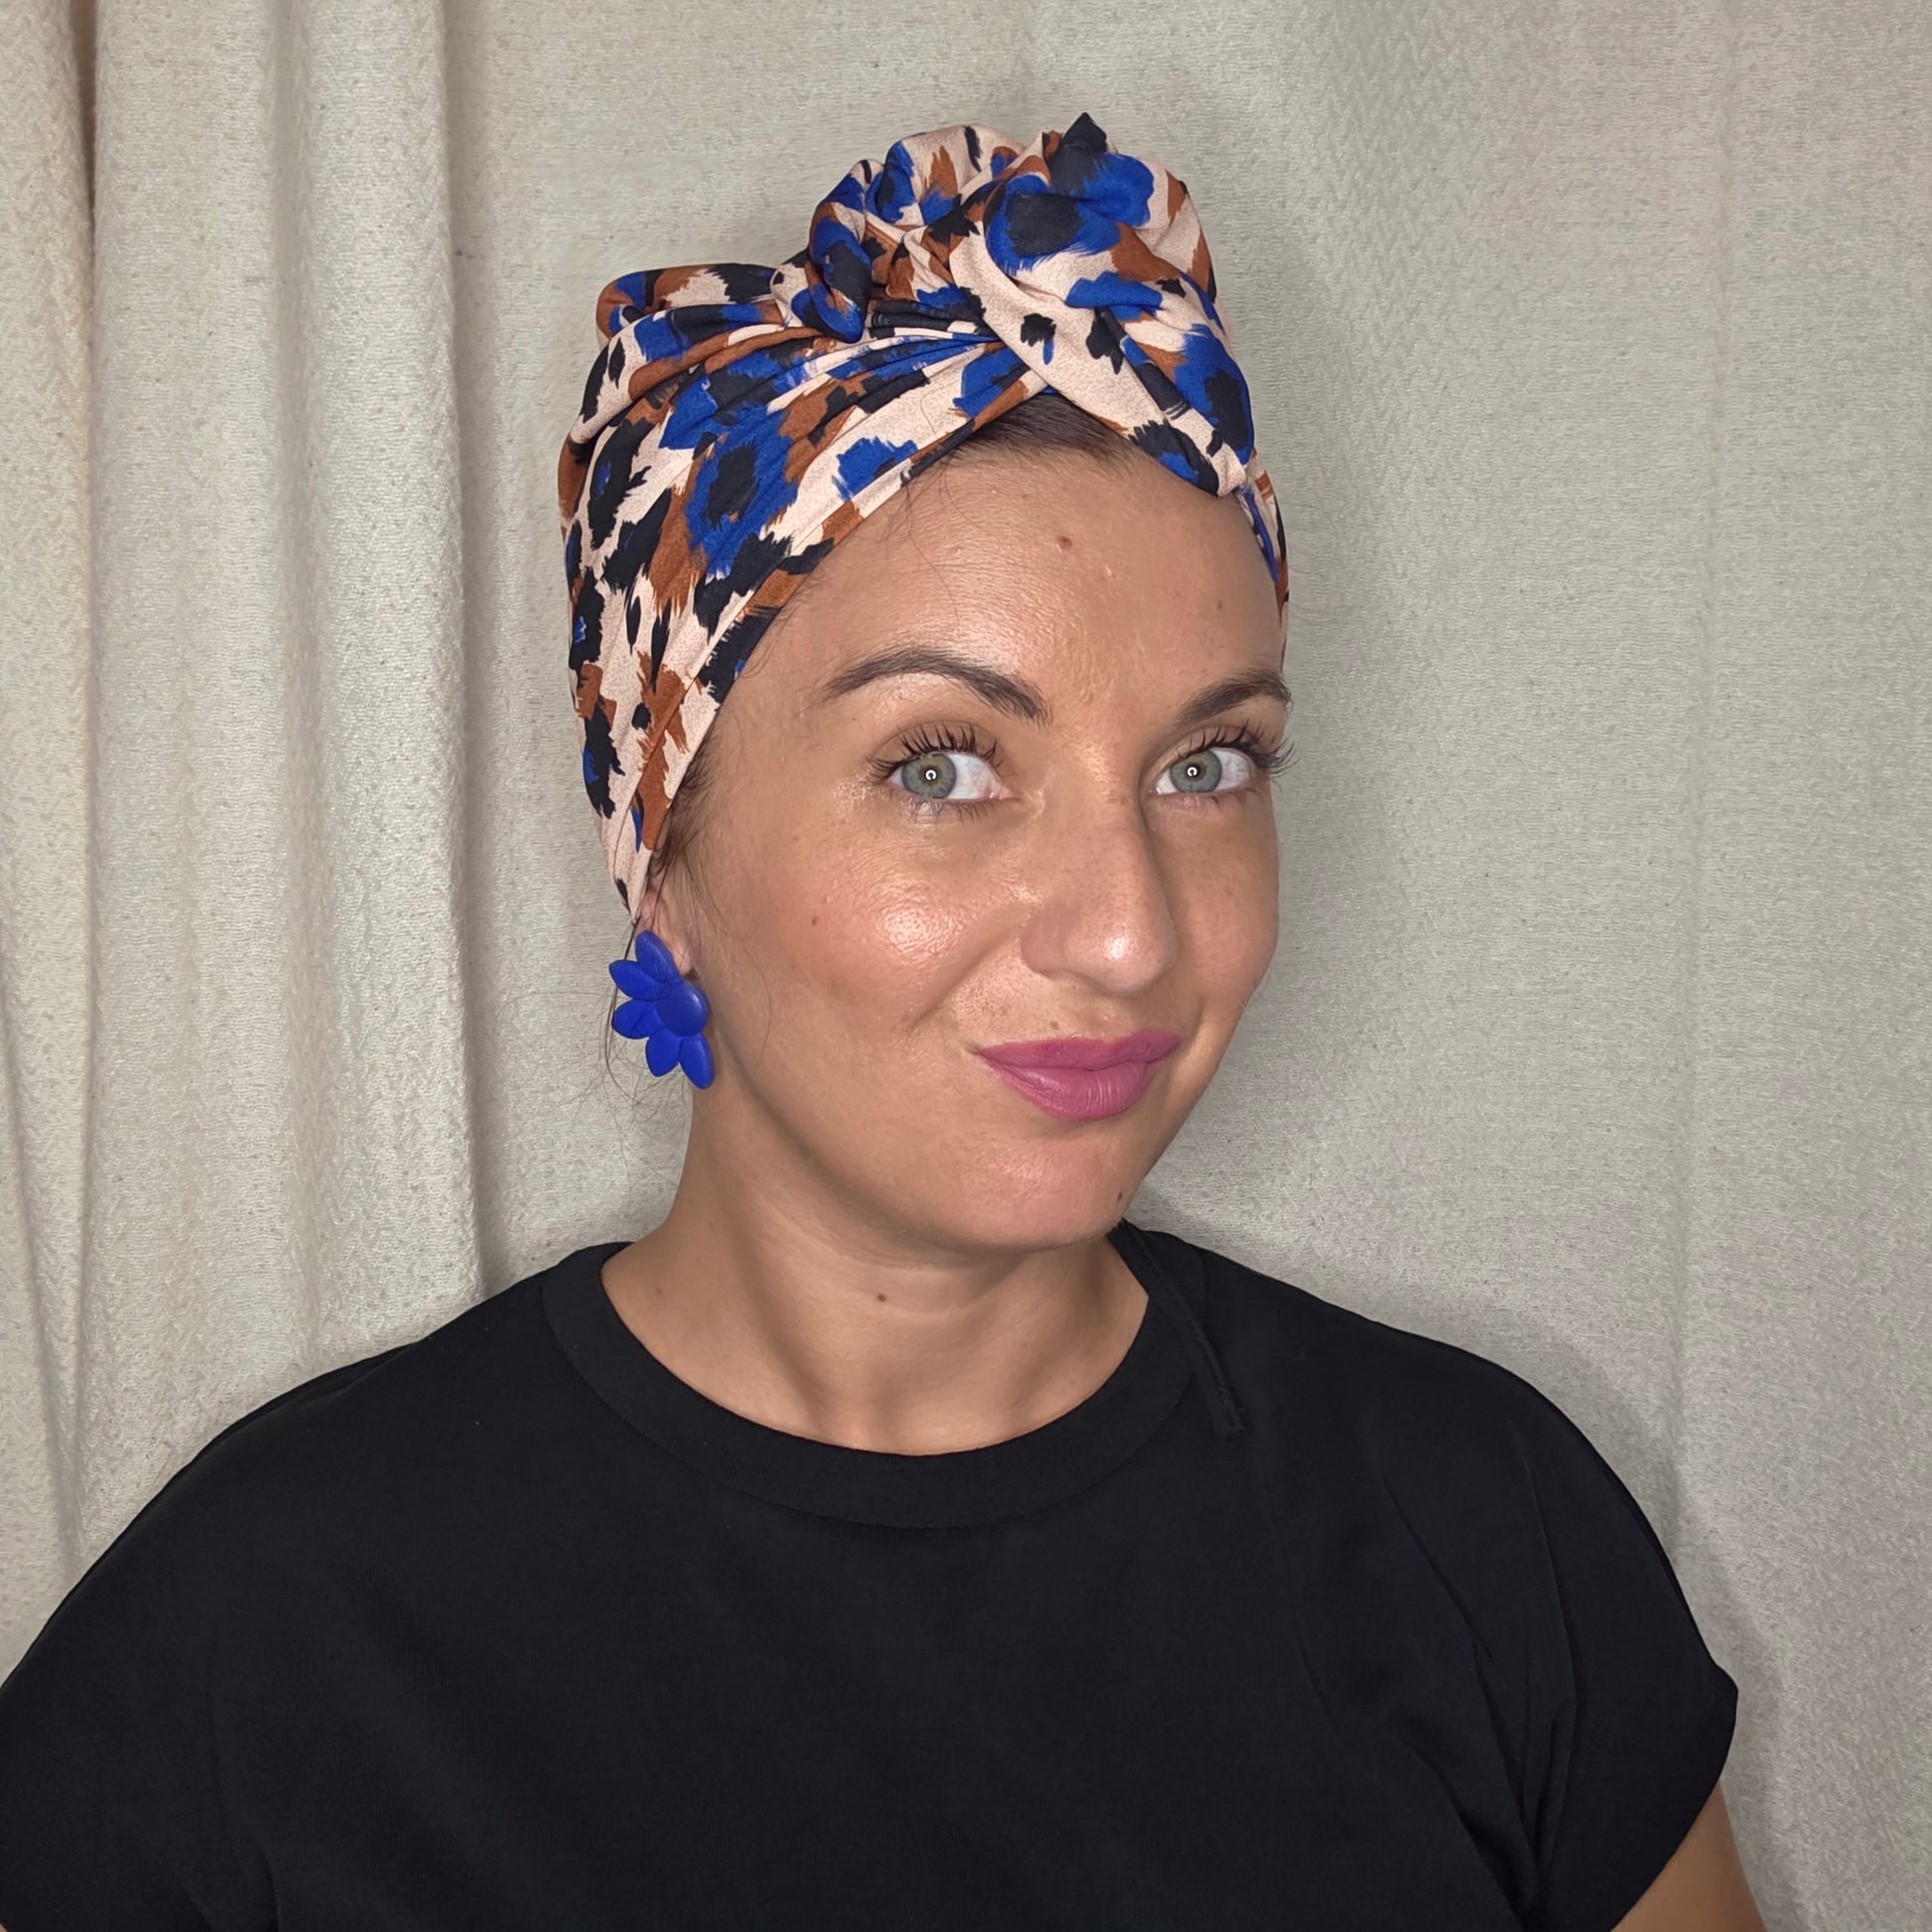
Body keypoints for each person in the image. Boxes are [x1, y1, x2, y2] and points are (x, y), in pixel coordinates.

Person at [0, 114, 1763, 1931]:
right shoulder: (259, 1643)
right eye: (941, 765)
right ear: (662, 852)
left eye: (1206, 763)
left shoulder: (1480, 1530)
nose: (1128, 931)